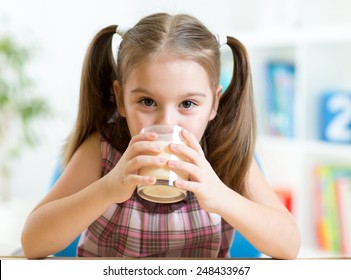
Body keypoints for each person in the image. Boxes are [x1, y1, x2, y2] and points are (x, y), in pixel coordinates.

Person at [21, 13, 300, 259]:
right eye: (147, 102)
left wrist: (221, 196)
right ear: (121, 99)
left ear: (214, 104)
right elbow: (33, 242)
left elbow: (289, 245)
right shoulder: (103, 149)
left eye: (187, 104)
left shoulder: (221, 152)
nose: (167, 123)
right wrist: (107, 188)